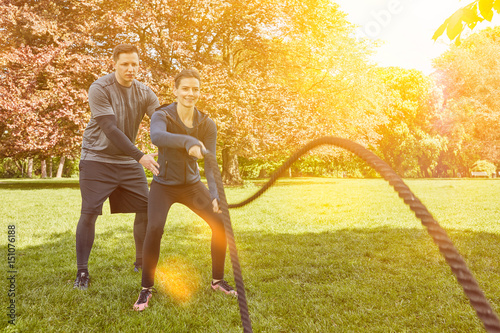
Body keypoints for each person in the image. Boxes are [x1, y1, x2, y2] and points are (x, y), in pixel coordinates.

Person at [133, 68, 236, 311]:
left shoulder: (206, 123)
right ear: (176, 90)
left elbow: (210, 163)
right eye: (186, 88)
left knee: (219, 223)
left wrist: (214, 193)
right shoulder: (162, 115)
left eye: (195, 89)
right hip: (164, 185)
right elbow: (157, 137)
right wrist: (188, 141)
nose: (191, 93)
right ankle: (146, 288)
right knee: (154, 228)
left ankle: (218, 280)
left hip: (191, 185)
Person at [73, 44, 160, 290]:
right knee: (89, 213)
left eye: (134, 64)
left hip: (126, 161)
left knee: (146, 208)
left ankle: (141, 262)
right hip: (96, 159)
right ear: (114, 63)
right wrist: (140, 156)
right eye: (125, 64)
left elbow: (161, 123)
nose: (130, 69)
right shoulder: (100, 88)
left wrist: (170, 146)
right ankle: (82, 272)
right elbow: (110, 129)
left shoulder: (145, 92)